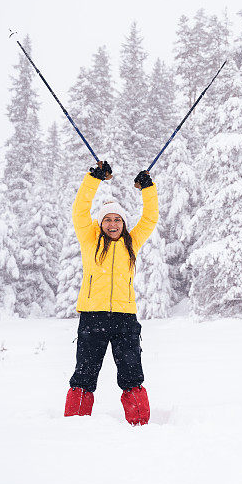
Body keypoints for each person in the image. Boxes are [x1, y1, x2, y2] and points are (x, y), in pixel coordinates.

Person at [63, 160, 158, 425]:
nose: (113, 224)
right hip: (93, 318)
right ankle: (75, 425)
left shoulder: (132, 243)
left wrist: (147, 188)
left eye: (118, 220)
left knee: (131, 373)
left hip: (125, 319)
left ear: (123, 224)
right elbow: (80, 211)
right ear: (101, 223)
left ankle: (139, 424)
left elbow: (150, 218)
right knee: (84, 374)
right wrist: (94, 179)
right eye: (108, 219)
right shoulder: (90, 241)